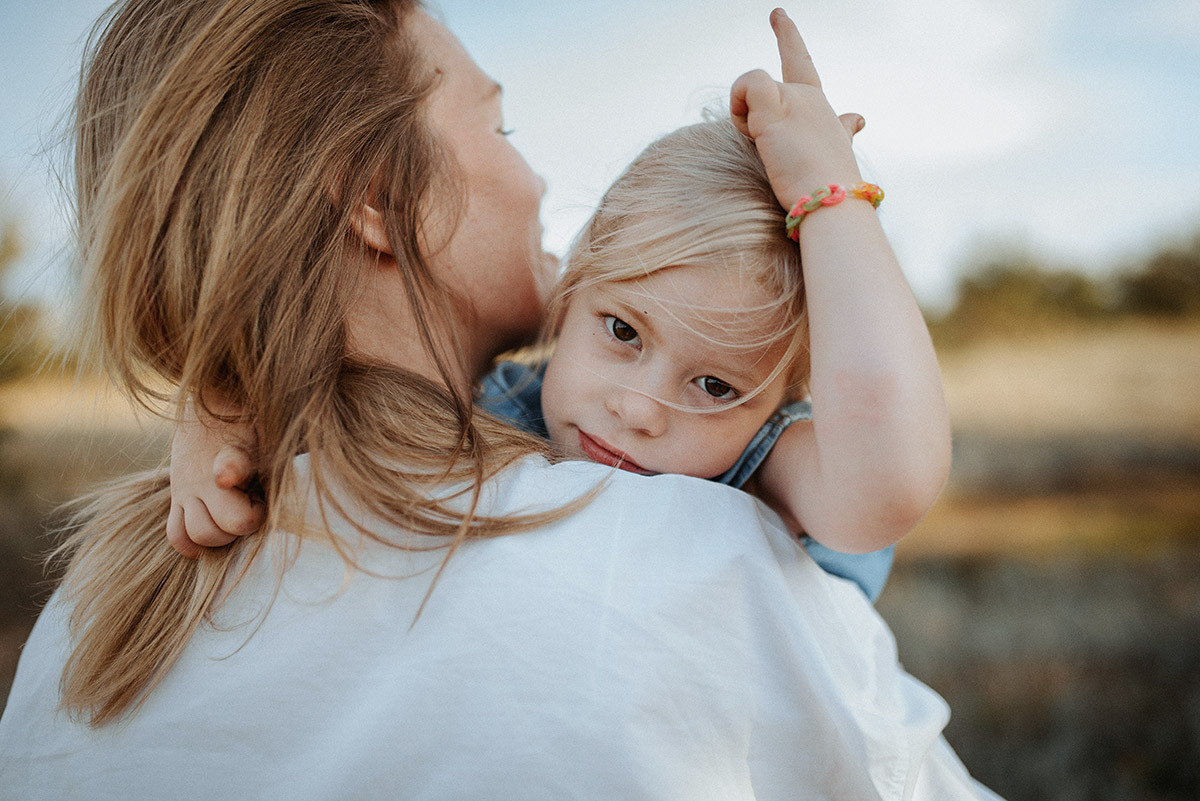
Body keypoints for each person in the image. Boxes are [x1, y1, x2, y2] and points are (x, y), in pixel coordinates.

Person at [0, 0, 1001, 798]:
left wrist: (230, 389)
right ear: (381, 205)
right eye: (501, 122)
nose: (644, 409)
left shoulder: (91, 610)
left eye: (711, 385)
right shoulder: (688, 569)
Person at [173, 116, 916, 601]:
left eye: (716, 384)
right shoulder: (505, 401)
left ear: (784, 402)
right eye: (623, 332)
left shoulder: (774, 461)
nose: (637, 407)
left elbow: (889, 482)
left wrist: (835, 198)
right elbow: (319, 373)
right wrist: (222, 412)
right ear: (572, 291)